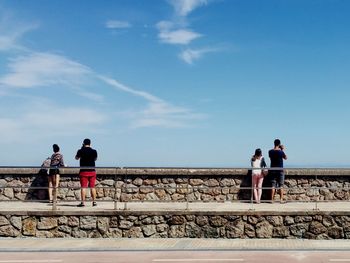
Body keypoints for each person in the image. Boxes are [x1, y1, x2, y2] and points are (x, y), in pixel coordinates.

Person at [75, 138, 98, 207]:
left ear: (84, 143)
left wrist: (82, 149)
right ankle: (94, 202)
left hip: (83, 171)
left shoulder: (80, 150)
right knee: (92, 187)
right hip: (92, 171)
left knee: (83, 187)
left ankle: (83, 203)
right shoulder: (94, 151)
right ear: (90, 143)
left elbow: (76, 158)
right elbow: (95, 159)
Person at [268, 139, 287, 203]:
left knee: (273, 185)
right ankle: (281, 199)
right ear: (279, 144)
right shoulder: (281, 152)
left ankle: (271, 200)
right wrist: (282, 149)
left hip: (273, 170)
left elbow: (270, 158)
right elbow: (286, 158)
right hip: (280, 170)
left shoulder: (270, 151)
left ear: (274, 143)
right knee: (281, 185)